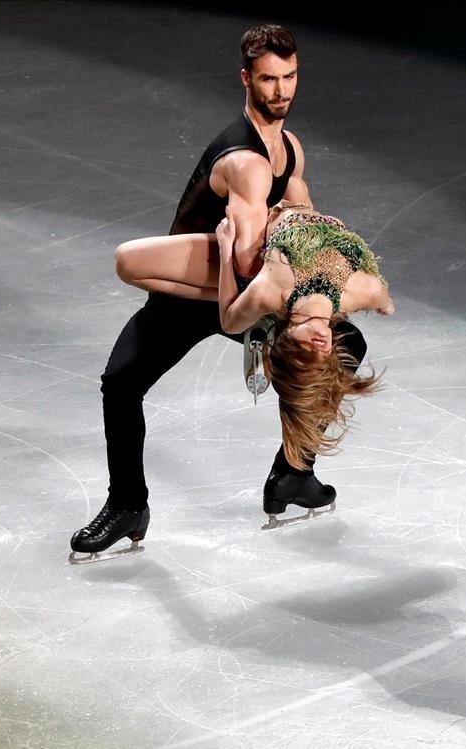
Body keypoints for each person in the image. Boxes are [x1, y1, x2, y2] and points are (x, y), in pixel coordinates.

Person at [69, 24, 369, 563]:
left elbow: (304, 225)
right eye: (268, 80)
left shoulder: (288, 150)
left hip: (246, 293)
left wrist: (312, 236)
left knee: (346, 344)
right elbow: (255, 258)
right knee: (120, 383)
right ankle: (127, 505)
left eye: (290, 77)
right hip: (192, 295)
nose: (281, 91)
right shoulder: (245, 162)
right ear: (245, 80)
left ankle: (293, 474)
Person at [115, 200, 392, 473]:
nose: (316, 348)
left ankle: (257, 313)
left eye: (302, 352)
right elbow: (385, 301)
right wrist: (385, 305)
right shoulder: (366, 291)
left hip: (260, 225)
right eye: (322, 360)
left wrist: (225, 251)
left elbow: (229, 321)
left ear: (285, 340)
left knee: (129, 264)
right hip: (293, 206)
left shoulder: (269, 291)